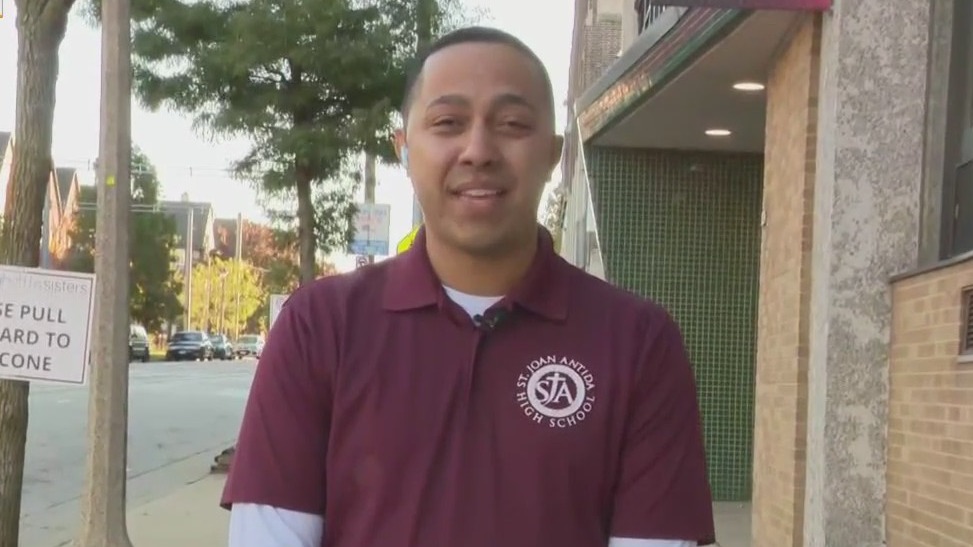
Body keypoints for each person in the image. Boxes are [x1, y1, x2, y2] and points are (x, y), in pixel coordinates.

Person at [221, 26, 715, 547]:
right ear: (405, 149)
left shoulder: (638, 342)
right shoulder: (319, 326)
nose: (478, 150)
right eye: (448, 122)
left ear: (552, 154)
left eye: (512, 123)